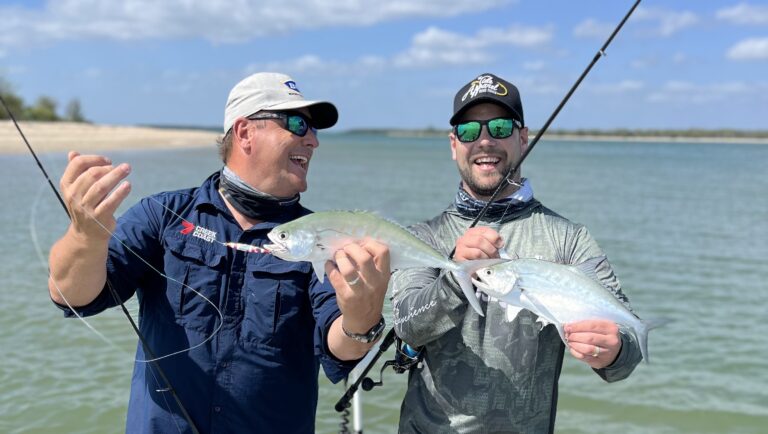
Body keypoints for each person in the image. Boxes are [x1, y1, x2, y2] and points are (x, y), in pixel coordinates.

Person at [47, 72, 390, 433]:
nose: (313, 141)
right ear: (244, 133)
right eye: (297, 124)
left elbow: (341, 349)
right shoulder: (164, 215)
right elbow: (71, 296)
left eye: (314, 130)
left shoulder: (318, 236)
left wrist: (360, 317)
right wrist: (85, 235)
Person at [391, 73, 643, 433]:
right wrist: (454, 275)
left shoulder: (568, 240)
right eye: (468, 131)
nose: (484, 141)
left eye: (499, 127)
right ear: (453, 145)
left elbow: (627, 350)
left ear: (522, 138)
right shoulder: (424, 237)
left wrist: (614, 350)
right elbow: (406, 326)